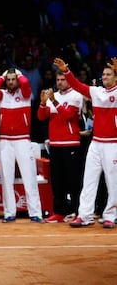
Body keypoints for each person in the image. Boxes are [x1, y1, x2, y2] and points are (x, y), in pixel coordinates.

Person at [54, 57, 117, 229]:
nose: (105, 77)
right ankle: (85, 215)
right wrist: (66, 71)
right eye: (103, 74)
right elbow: (77, 85)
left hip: (113, 143)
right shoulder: (97, 92)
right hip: (96, 143)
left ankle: (111, 216)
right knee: (88, 179)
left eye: (109, 74)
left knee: (113, 181)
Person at [0, 68, 43, 223]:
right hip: (5, 141)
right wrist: (3, 75)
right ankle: (9, 213)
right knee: (6, 178)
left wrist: (18, 74)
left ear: (18, 80)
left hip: (22, 140)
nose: (11, 82)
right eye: (9, 80)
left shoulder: (26, 94)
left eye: (14, 79)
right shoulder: (2, 96)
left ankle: (35, 212)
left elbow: (25, 83)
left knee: (29, 177)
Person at [37, 71, 83, 223]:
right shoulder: (53, 96)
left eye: (63, 79)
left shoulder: (76, 95)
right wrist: (43, 103)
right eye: (58, 80)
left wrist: (54, 101)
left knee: (73, 181)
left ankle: (77, 211)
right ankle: (59, 212)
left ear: (69, 80)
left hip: (71, 143)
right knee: (57, 181)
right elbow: (41, 117)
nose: (60, 82)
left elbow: (69, 116)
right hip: (55, 143)